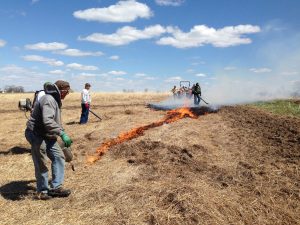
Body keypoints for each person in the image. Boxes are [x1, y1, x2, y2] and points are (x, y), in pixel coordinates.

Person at [25, 80, 72, 200]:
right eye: (67, 91)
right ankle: (42, 191)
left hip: (48, 135)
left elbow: (54, 121)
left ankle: (56, 188)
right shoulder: (48, 99)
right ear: (62, 91)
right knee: (41, 162)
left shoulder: (54, 100)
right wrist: (62, 133)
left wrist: (61, 131)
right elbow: (48, 121)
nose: (67, 94)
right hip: (36, 134)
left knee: (59, 157)